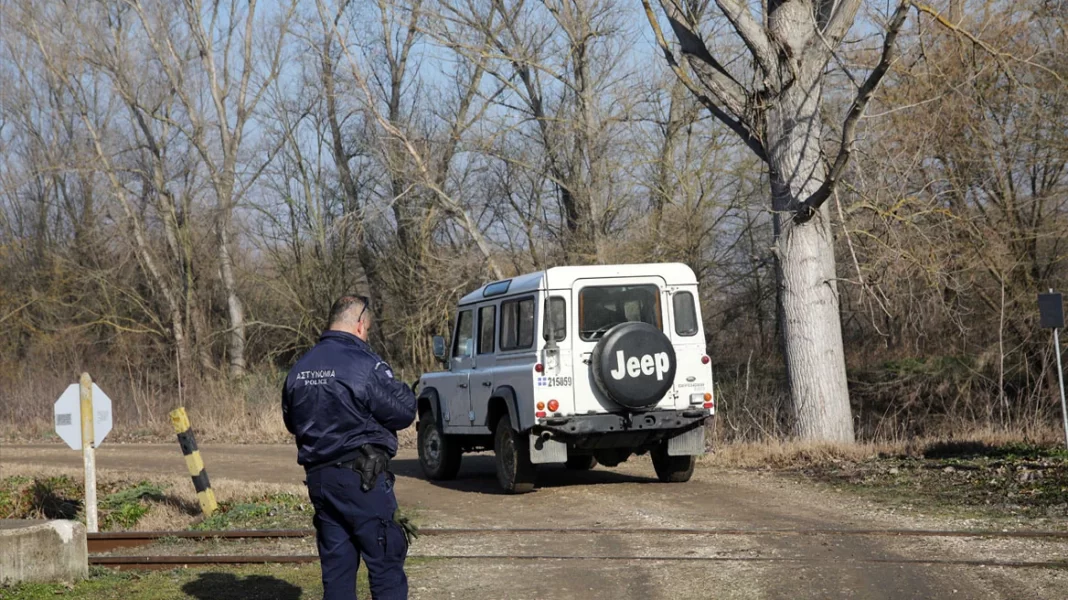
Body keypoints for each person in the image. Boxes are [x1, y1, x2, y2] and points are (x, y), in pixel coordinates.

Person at [282, 295, 417, 600]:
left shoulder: (299, 368)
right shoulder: (363, 364)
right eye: (367, 330)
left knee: (337, 569)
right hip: (363, 479)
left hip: (320, 481)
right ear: (359, 325)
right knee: (385, 561)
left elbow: (292, 422)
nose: (366, 336)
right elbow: (403, 411)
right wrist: (403, 389)